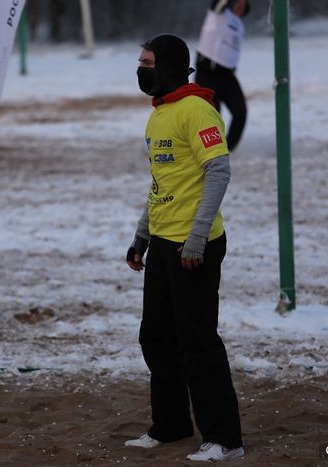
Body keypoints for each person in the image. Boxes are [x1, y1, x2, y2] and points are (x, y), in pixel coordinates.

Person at [124, 33, 244, 462]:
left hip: (195, 245)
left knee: (197, 343)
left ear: (170, 66)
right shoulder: (159, 115)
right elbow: (161, 183)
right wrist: (142, 235)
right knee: (156, 338)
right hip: (162, 241)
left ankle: (225, 440)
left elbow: (219, 172)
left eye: (147, 62)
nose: (141, 70)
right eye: (139, 62)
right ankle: (171, 426)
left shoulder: (197, 110)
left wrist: (195, 238)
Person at [195, 0, 250, 153]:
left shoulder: (240, 26)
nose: (240, 6)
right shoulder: (218, 14)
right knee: (212, 115)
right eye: (238, 2)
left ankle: (228, 148)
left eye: (244, 4)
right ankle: (208, 150)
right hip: (208, 71)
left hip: (227, 75)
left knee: (240, 111)